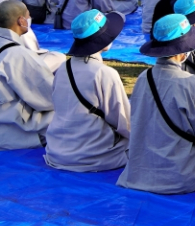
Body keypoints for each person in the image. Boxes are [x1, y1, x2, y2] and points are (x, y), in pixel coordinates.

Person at [117, 14, 195, 194]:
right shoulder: (192, 83)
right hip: (177, 173)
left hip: (139, 171)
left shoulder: (143, 78)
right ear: (183, 50)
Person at [44, 9, 131, 172]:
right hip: (91, 155)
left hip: (57, 150)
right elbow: (122, 121)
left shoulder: (63, 68)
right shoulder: (104, 73)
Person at [0, 0, 55, 151]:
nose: (29, 19)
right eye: (28, 16)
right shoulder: (19, 55)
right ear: (21, 21)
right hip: (3, 130)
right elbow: (50, 99)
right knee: (70, 112)